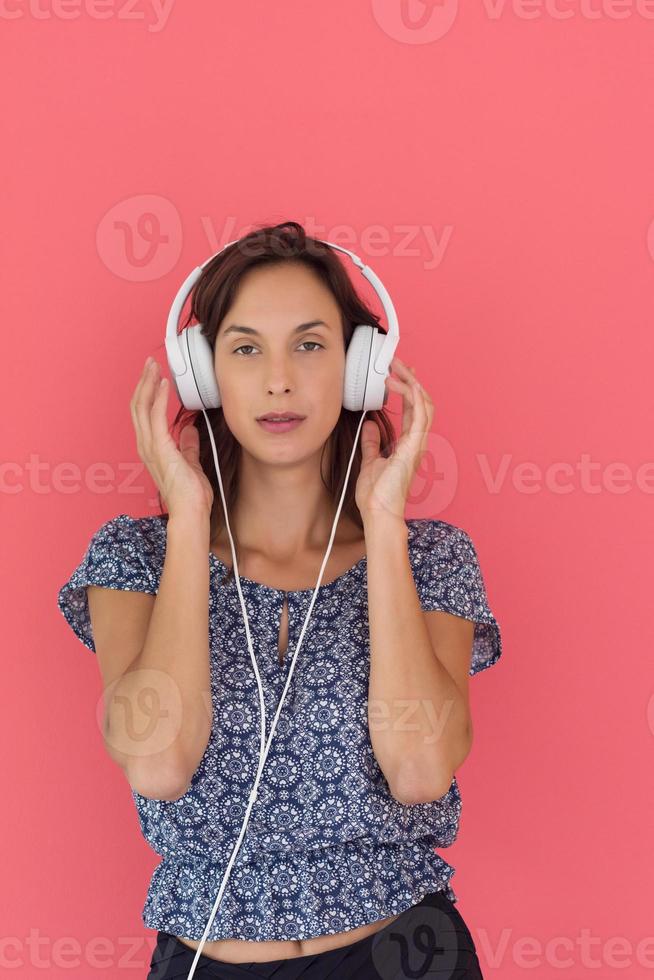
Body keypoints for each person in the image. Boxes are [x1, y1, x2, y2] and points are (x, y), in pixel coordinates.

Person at [57, 222, 501, 978]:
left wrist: (386, 525)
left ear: (361, 368)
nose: (278, 381)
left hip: (405, 955)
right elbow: (159, 762)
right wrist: (190, 520)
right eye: (245, 348)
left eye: (309, 344)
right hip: (208, 958)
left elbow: (422, 770)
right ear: (203, 376)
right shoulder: (136, 560)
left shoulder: (432, 560)